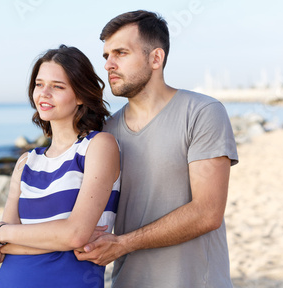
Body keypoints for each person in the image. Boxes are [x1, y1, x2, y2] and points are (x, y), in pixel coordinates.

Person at [73, 10, 239, 287]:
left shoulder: (202, 112)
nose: (108, 65)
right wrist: (4, 236)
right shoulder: (106, 134)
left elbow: (208, 212)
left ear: (156, 58)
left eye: (121, 53)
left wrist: (123, 243)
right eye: (106, 56)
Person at [0, 44, 121, 288]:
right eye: (39, 84)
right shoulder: (26, 162)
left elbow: (75, 235)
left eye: (57, 86)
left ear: (80, 95)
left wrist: (2, 234)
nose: (44, 93)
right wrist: (58, 238)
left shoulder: (98, 146)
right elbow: (0, 249)